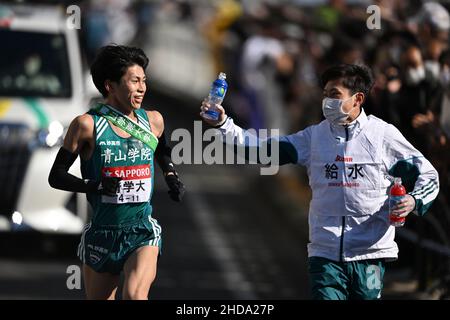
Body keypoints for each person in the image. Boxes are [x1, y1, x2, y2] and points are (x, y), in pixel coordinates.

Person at [200, 64, 440, 300]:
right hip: (325, 254)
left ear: (357, 99)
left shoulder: (382, 136)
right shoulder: (314, 137)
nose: (327, 102)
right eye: (325, 94)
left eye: (335, 95)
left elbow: (428, 175)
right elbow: (264, 150)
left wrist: (413, 200)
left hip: (371, 255)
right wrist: (224, 126)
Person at [48, 45, 185, 300]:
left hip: (142, 230)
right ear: (110, 86)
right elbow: (55, 176)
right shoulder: (86, 125)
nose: (142, 88)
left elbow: (161, 150)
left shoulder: (153, 121)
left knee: (135, 295)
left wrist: (171, 176)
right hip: (102, 232)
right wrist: (95, 186)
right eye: (134, 81)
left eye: (144, 81)